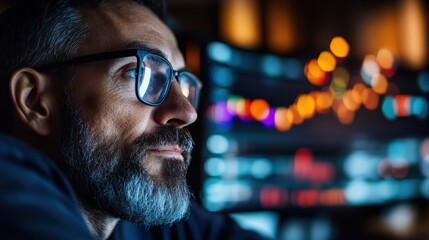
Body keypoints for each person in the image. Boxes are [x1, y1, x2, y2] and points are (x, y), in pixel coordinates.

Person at [0, 0, 268, 239]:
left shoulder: (132, 202)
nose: (187, 112)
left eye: (181, 84)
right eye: (141, 74)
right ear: (35, 101)